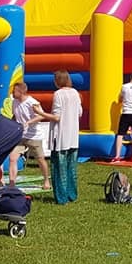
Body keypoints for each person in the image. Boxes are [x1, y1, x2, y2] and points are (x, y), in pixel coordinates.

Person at [8, 82, 59, 189]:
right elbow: (15, 116)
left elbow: (41, 116)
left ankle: (46, 181)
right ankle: (12, 184)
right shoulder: (15, 102)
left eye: (14, 91)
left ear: (21, 91)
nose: (12, 92)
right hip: (20, 136)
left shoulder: (32, 102)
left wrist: (29, 122)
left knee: (40, 159)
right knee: (13, 158)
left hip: (34, 136)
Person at [50, 70, 82, 204]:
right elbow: (79, 112)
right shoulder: (75, 93)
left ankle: (61, 197)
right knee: (71, 167)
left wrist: (41, 113)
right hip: (73, 135)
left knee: (59, 167)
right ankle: (72, 194)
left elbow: (57, 116)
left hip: (61, 134)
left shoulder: (58, 94)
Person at [111, 71, 132, 164]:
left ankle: (117, 156)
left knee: (120, 134)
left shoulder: (124, 86)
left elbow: (120, 99)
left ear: (130, 77)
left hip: (126, 112)